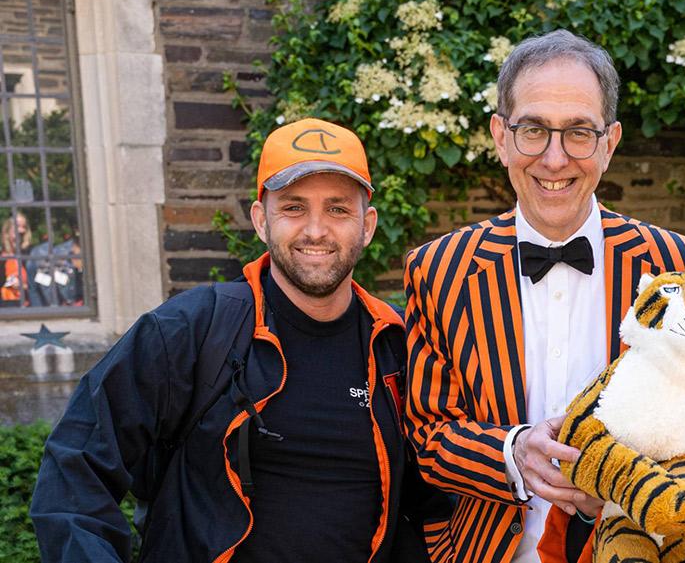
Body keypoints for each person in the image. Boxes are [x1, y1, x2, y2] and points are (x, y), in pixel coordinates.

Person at [31, 118, 446, 563]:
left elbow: (439, 502)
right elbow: (74, 469)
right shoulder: (192, 330)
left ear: (366, 225)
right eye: (293, 207)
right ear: (260, 220)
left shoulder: (400, 347)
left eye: (337, 209)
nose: (315, 230)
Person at [403, 29, 685, 563]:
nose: (554, 159)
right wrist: (513, 453)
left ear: (610, 142)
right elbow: (429, 435)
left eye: (578, 132)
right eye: (533, 129)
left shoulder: (683, 268)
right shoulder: (438, 270)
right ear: (501, 137)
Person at [1, 211, 31, 306]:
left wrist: (25, 285)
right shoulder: (2, 256)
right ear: (6, 232)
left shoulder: (31, 254)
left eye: (24, 227)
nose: (22, 231)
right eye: (18, 226)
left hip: (28, 307)